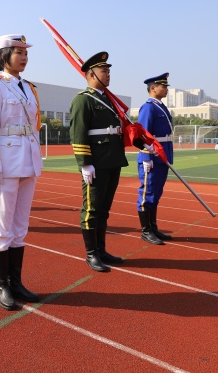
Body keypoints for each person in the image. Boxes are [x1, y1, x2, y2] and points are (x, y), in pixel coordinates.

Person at [0, 34, 43, 310]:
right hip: (6, 162)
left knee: (20, 226)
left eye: (26, 52)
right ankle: (2, 285)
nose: (24, 56)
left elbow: (34, 125)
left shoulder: (29, 88)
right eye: (18, 52)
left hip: (28, 161)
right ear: (4, 55)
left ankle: (16, 282)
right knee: (3, 225)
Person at [69, 51, 130, 272]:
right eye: (104, 71)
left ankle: (102, 250)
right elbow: (78, 133)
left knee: (104, 209)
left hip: (112, 160)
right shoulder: (83, 100)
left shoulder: (108, 100)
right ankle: (91, 254)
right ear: (91, 74)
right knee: (91, 209)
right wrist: (85, 163)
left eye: (109, 70)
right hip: (95, 162)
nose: (108, 74)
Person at [136, 73, 175, 246]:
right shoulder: (148, 107)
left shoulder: (161, 106)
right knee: (147, 194)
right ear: (153, 88)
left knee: (156, 194)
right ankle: (146, 231)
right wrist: (146, 156)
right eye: (163, 86)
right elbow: (143, 134)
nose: (166, 89)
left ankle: (153, 227)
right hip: (151, 157)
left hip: (162, 156)